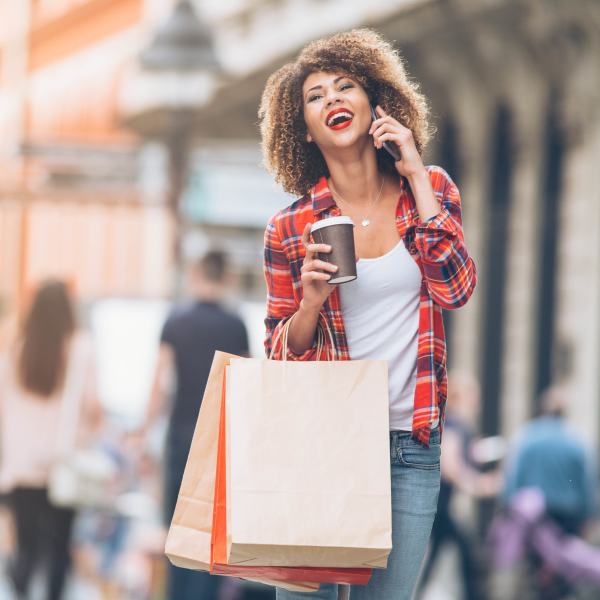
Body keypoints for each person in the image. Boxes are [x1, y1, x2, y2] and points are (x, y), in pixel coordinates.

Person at [260, 29, 477, 599]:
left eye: (345, 86)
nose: (331, 99)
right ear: (302, 126)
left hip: (410, 444)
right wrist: (309, 302)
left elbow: (456, 289)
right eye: (315, 96)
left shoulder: (429, 190)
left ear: (375, 102)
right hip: (323, 443)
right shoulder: (290, 227)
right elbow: (279, 351)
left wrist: (414, 173)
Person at [145, 249, 251, 600]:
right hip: (219, 442)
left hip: (180, 438)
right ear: (226, 278)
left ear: (196, 274)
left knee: (176, 535)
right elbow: (244, 385)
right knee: (211, 539)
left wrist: (143, 432)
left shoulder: (175, 320)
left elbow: (160, 384)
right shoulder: (235, 325)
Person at [0, 279, 102, 600]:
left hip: (23, 467)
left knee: (26, 546)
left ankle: (19, 590)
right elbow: (93, 407)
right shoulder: (81, 349)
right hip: (63, 467)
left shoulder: (16, 350)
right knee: (59, 550)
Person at [418, 372, 501, 600]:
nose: (477, 400)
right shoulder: (454, 422)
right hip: (438, 505)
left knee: (435, 556)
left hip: (439, 506)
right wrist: (477, 485)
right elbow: (450, 465)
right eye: (473, 394)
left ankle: (418, 592)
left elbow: (463, 455)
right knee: (464, 551)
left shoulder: (458, 424)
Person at [503, 386, 597, 537]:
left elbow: (513, 476)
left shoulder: (526, 437)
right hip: (567, 514)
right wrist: (589, 515)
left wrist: (508, 506)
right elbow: (586, 482)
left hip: (533, 514)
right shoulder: (577, 441)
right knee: (565, 557)